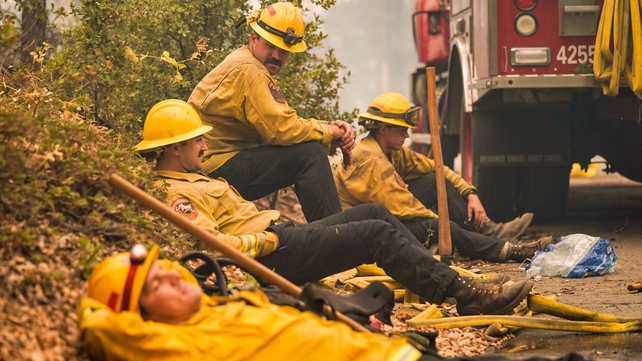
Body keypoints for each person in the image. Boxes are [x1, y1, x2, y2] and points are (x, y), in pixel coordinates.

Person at [134, 99, 534, 318]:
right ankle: (464, 294)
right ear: (174, 147)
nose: (205, 146)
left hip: (285, 236)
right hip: (278, 253)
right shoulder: (174, 195)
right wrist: (269, 240)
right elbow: (216, 243)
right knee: (376, 233)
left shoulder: (198, 178)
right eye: (197, 141)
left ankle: (457, 285)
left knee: (374, 214)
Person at [77, 244, 586, 361]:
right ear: (137, 316)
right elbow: (103, 327)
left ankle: (482, 254)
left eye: (169, 269)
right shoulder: (173, 343)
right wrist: (97, 303)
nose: (176, 278)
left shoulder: (217, 308)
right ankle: (468, 288)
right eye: (154, 287)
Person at [187, 2, 354, 222]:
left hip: (207, 162)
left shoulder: (245, 61)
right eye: (270, 46)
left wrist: (328, 128)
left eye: (284, 50)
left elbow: (281, 121)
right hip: (211, 167)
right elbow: (282, 131)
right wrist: (331, 132)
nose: (277, 55)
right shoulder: (252, 71)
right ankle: (337, 238)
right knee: (310, 155)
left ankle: (333, 235)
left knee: (307, 149)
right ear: (253, 39)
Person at [334, 92, 537, 250]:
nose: (406, 135)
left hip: (389, 215)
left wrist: (471, 194)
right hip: (365, 231)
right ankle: (492, 244)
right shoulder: (372, 161)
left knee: (434, 180)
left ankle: (489, 231)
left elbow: (439, 169)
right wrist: (448, 227)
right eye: (402, 130)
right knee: (440, 226)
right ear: (384, 128)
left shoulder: (391, 150)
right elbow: (406, 207)